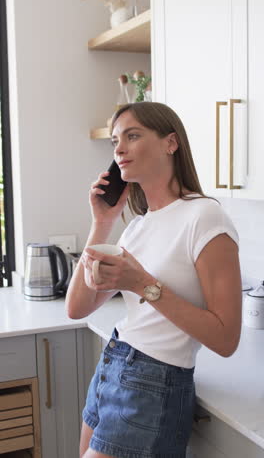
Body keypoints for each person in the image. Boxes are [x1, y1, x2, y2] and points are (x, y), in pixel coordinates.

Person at [66, 102, 242, 458]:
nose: (118, 149)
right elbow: (77, 306)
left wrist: (142, 283)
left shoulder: (205, 216)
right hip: (113, 364)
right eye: (115, 140)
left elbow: (225, 339)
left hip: (154, 381)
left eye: (132, 136)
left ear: (170, 143)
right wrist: (102, 224)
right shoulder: (136, 227)